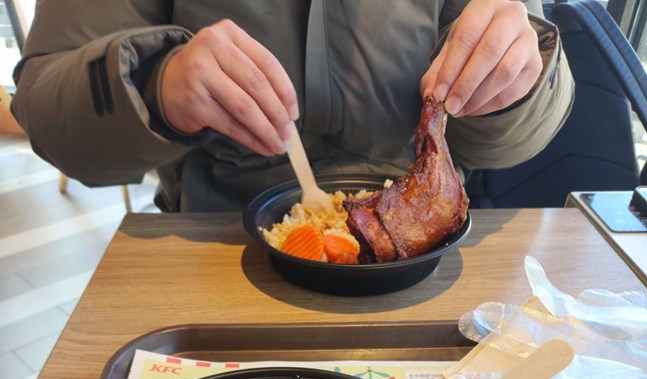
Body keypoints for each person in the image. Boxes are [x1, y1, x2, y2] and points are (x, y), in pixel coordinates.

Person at [11, 0, 574, 212]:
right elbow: (45, 109)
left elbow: (507, 140)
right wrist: (154, 86)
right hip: (215, 245)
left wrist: (511, 85)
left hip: (423, 250)